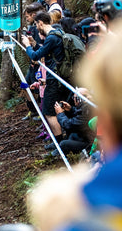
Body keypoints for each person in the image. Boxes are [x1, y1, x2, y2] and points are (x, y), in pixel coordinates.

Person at [27, 21, 122, 231]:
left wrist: (61, 208)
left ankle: (60, 145)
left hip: (84, 150)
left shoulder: (94, 199)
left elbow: (79, 123)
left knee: (70, 142)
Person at [21, 12, 65, 144]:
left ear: (40, 23)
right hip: (56, 76)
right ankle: (58, 141)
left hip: (54, 78)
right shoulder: (57, 34)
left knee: (49, 112)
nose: (36, 27)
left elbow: (35, 56)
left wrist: (27, 46)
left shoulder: (51, 37)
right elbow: (43, 52)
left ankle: (59, 143)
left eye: (36, 24)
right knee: (51, 110)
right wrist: (34, 43)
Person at [45, 88, 95, 157]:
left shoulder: (87, 111)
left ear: (78, 99)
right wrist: (71, 109)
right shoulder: (88, 106)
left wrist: (60, 114)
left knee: (64, 143)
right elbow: (79, 116)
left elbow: (67, 125)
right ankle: (59, 149)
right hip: (85, 136)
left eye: (74, 98)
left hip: (90, 143)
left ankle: (61, 152)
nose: (73, 99)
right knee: (71, 135)